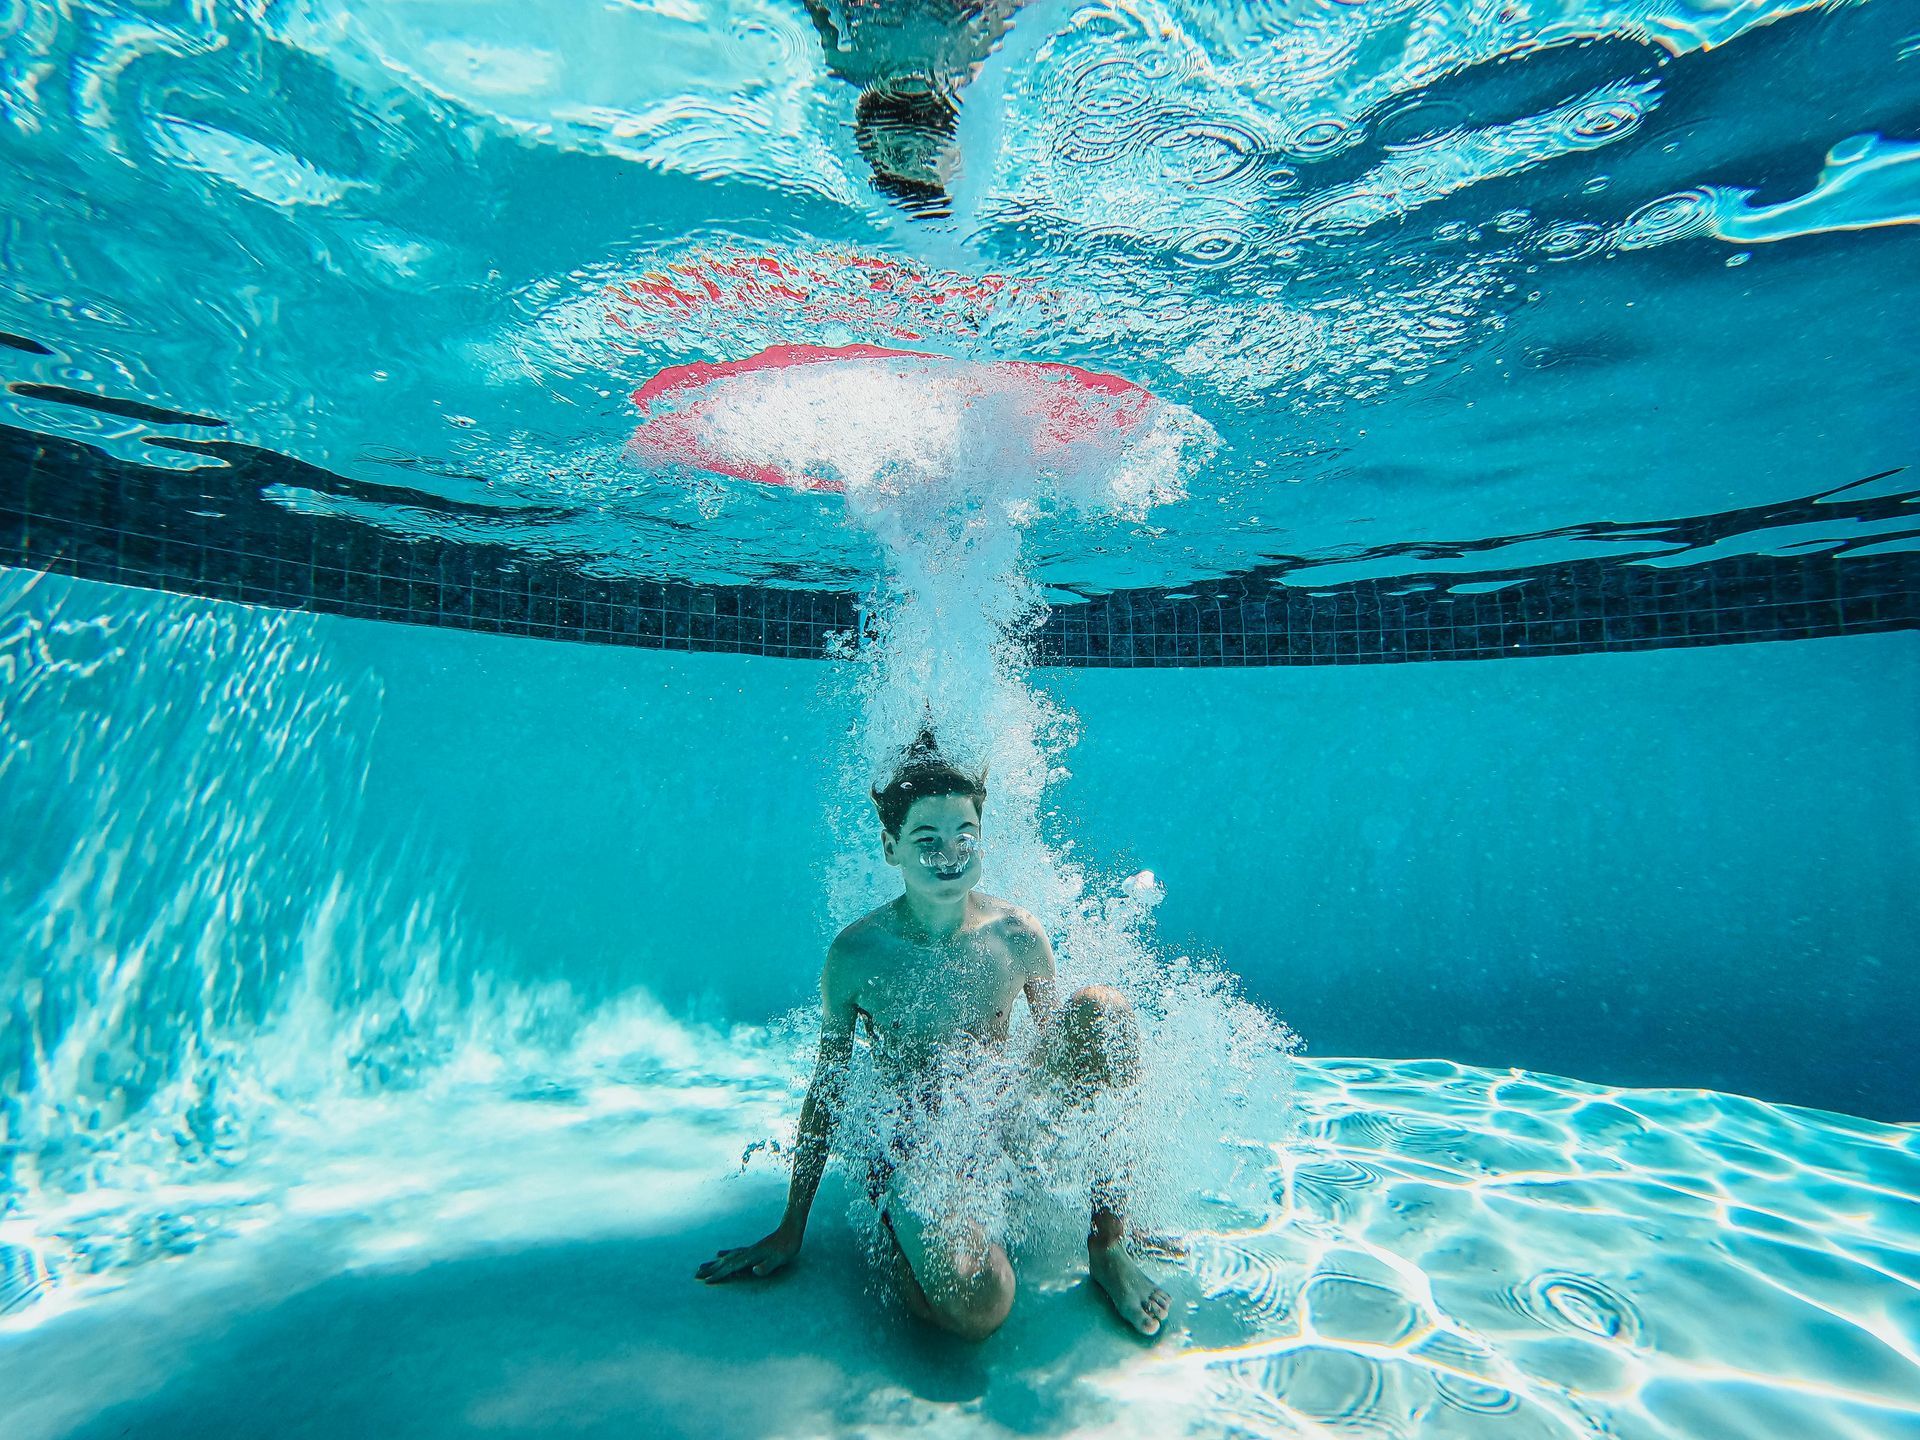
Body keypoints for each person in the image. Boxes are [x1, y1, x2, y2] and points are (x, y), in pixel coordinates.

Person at [695, 733, 1171, 1340]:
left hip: (999, 1124)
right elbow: (829, 1086)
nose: (949, 854)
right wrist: (793, 1226)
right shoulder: (859, 954)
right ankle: (900, 1230)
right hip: (916, 1150)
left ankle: (1109, 1247)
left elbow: (1071, 1074)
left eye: (963, 836)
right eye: (926, 840)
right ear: (891, 847)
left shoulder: (1017, 934)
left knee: (1105, 1014)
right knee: (981, 1309)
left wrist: (1114, 1199)